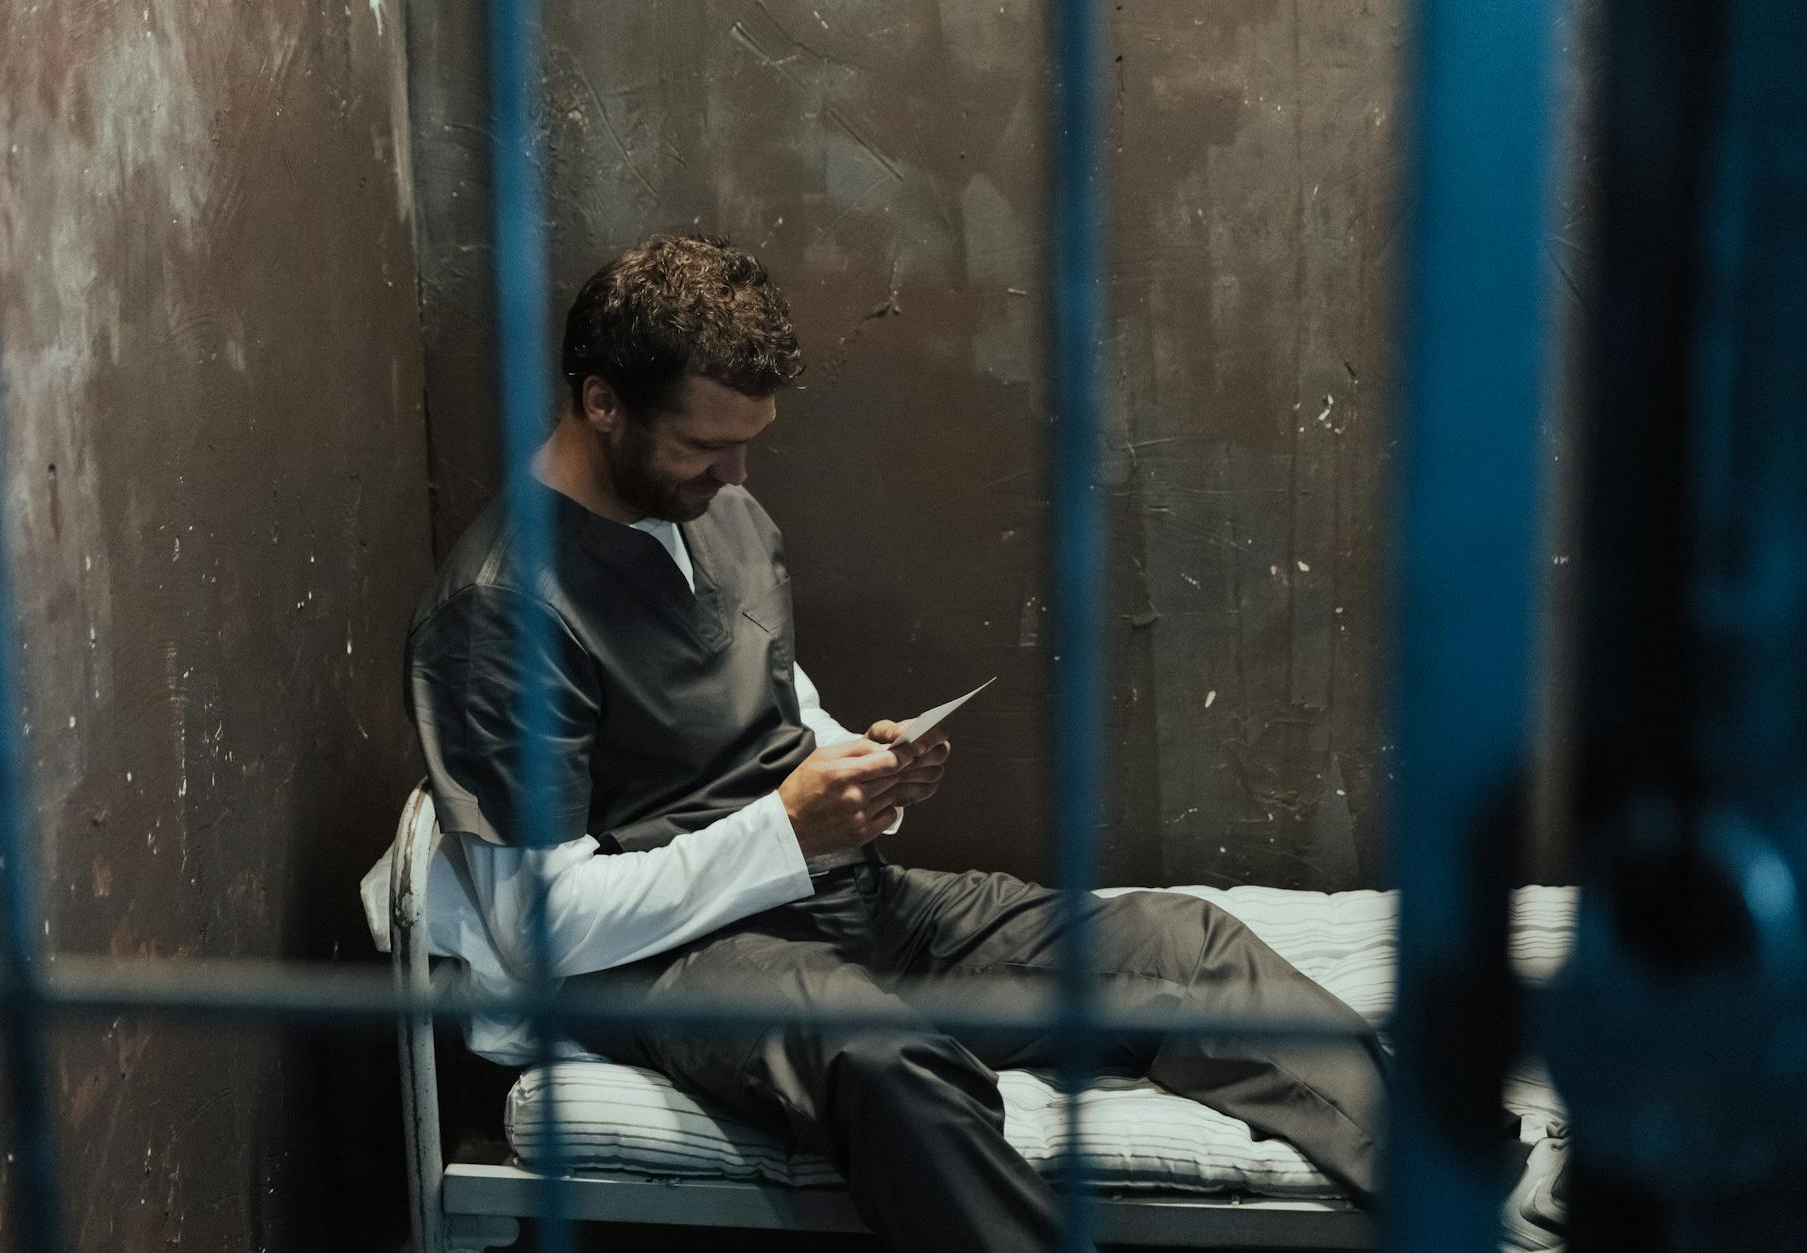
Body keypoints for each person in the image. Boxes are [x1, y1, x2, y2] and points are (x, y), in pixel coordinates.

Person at [380, 233, 1386, 1252]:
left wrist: (862, 767)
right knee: (886, 1060)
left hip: (834, 895)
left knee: (1185, 943)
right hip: (667, 960)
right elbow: (536, 928)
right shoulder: (500, 613)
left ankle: (1470, 1182)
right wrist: (787, 825)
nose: (734, 474)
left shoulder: (713, 505)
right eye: (704, 444)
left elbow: (772, 696)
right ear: (601, 402)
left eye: (749, 441)